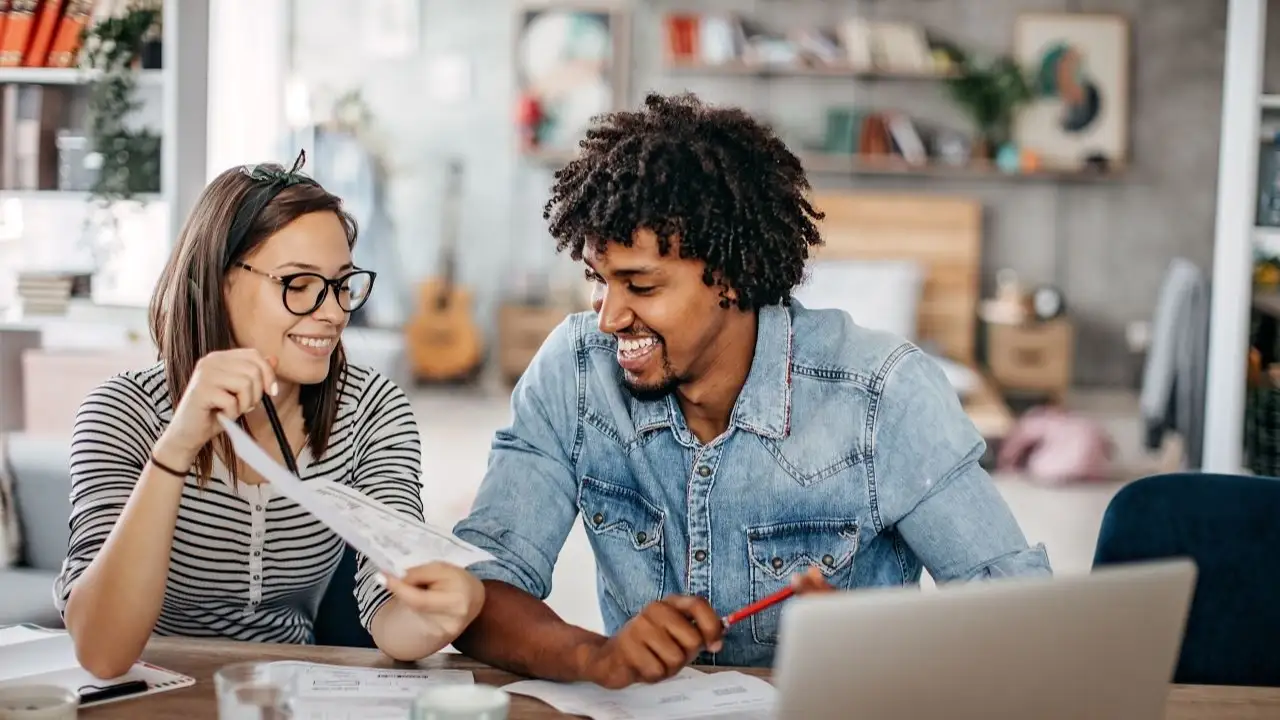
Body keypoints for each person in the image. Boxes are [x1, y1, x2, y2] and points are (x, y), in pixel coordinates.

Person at [451, 93, 1052, 687]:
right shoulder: (575, 372)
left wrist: (882, 644)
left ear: (730, 279)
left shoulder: (883, 397)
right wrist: (596, 657)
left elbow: (1024, 623)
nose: (608, 317)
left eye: (641, 285)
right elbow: (477, 587)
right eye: (599, 281)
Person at [55, 153, 483, 679]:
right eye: (298, 285)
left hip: (290, 689)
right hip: (150, 690)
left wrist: (437, 615)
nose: (332, 313)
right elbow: (102, 652)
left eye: (342, 284)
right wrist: (174, 450)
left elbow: (388, 613)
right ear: (217, 281)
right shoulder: (122, 413)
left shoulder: (371, 409)